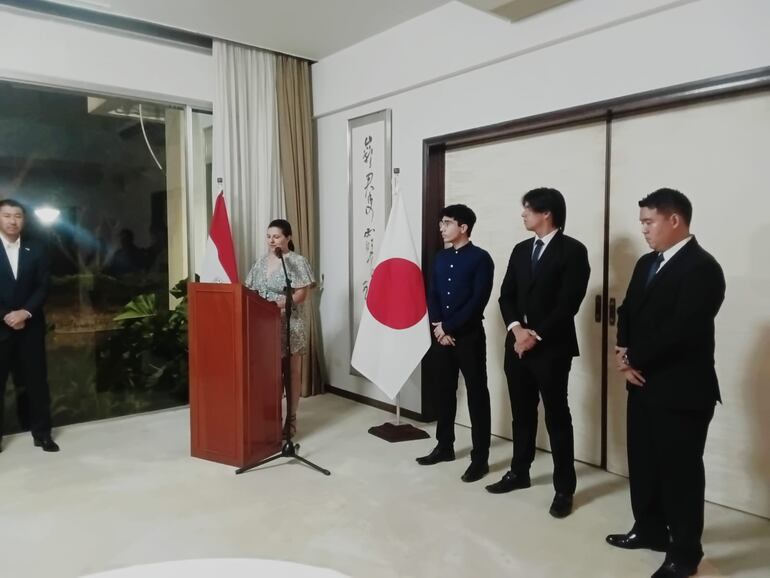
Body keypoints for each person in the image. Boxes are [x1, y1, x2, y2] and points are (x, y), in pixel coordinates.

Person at [606, 188, 725, 578]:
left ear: (675, 220)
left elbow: (684, 330)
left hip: (681, 390)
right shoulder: (646, 264)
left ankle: (685, 552)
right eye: (641, 222)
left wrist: (634, 358)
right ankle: (650, 528)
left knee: (680, 472)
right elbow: (626, 310)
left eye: (648, 222)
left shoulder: (702, 267)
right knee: (643, 464)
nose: (643, 229)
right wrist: (624, 353)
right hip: (640, 383)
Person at [486, 187, 589, 519]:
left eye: (528, 209)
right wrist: (517, 329)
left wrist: (536, 334)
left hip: (552, 348)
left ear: (547, 213)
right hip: (516, 345)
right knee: (522, 412)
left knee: (558, 416)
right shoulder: (520, 250)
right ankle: (520, 472)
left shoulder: (573, 251)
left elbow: (568, 303)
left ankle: (564, 487)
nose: (523, 214)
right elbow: (506, 295)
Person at [416, 204, 494, 484]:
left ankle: (480, 458)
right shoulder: (440, 257)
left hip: (469, 337)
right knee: (444, 391)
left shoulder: (481, 258)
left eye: (447, 223)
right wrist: (438, 326)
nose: (442, 228)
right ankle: (444, 446)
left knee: (476, 394)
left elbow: (478, 301)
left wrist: (448, 327)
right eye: (441, 223)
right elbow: (433, 293)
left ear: (463, 227)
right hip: (441, 336)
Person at [245, 219, 314, 438]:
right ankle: (270, 418)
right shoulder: (260, 263)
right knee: (270, 374)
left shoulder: (296, 262)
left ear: (288, 238)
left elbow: (301, 295)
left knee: (290, 373)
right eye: (268, 236)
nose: (271, 240)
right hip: (265, 326)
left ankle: (291, 420)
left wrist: (279, 304)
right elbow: (251, 290)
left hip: (290, 324)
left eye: (276, 236)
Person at [0, 198, 59, 453]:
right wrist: (7, 315)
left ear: (24, 220)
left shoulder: (37, 247)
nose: (13, 221)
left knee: (37, 381)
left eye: (18, 216)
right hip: (0, 326)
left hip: (30, 325)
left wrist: (24, 312)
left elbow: (43, 285)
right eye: (6, 215)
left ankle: (42, 434)